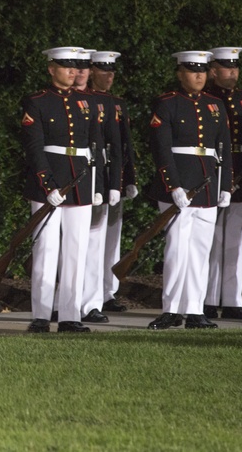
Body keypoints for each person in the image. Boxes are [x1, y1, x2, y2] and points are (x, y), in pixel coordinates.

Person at [145, 50, 232, 330]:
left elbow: (223, 148)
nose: (198, 76)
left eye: (203, 71)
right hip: (179, 186)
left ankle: (194, 309)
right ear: (180, 73)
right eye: (192, 70)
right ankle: (171, 309)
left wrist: (226, 184)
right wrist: (173, 185)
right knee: (177, 250)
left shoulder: (215, 105)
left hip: (206, 185)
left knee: (200, 251)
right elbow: (161, 149)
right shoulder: (167, 103)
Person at [21, 46, 102, 334]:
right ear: (51, 68)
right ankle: (41, 315)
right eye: (66, 65)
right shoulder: (37, 102)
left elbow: (94, 146)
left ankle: (70, 315)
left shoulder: (87, 102)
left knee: (77, 250)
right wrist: (47, 182)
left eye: (76, 66)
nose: (72, 71)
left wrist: (97, 184)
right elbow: (34, 146)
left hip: (79, 181)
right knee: (46, 249)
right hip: (50, 182)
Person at [203, 47, 242, 320]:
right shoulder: (205, 99)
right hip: (213, 170)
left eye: (235, 67)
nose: (233, 72)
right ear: (213, 71)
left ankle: (232, 300)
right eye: (227, 68)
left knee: (237, 241)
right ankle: (206, 299)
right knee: (211, 239)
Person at [88, 51, 138, 314]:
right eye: (103, 70)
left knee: (112, 239)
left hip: (112, 174)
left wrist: (128, 178)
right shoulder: (86, 100)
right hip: (95, 174)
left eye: (112, 71)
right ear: (92, 71)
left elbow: (124, 144)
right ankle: (92, 293)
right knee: (93, 238)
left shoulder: (117, 103)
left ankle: (108, 291)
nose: (109, 76)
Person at [77, 51, 122, 324]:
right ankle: (63, 301)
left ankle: (91, 301)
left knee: (94, 244)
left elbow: (116, 146)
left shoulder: (104, 103)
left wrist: (116, 182)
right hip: (68, 179)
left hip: (96, 177)